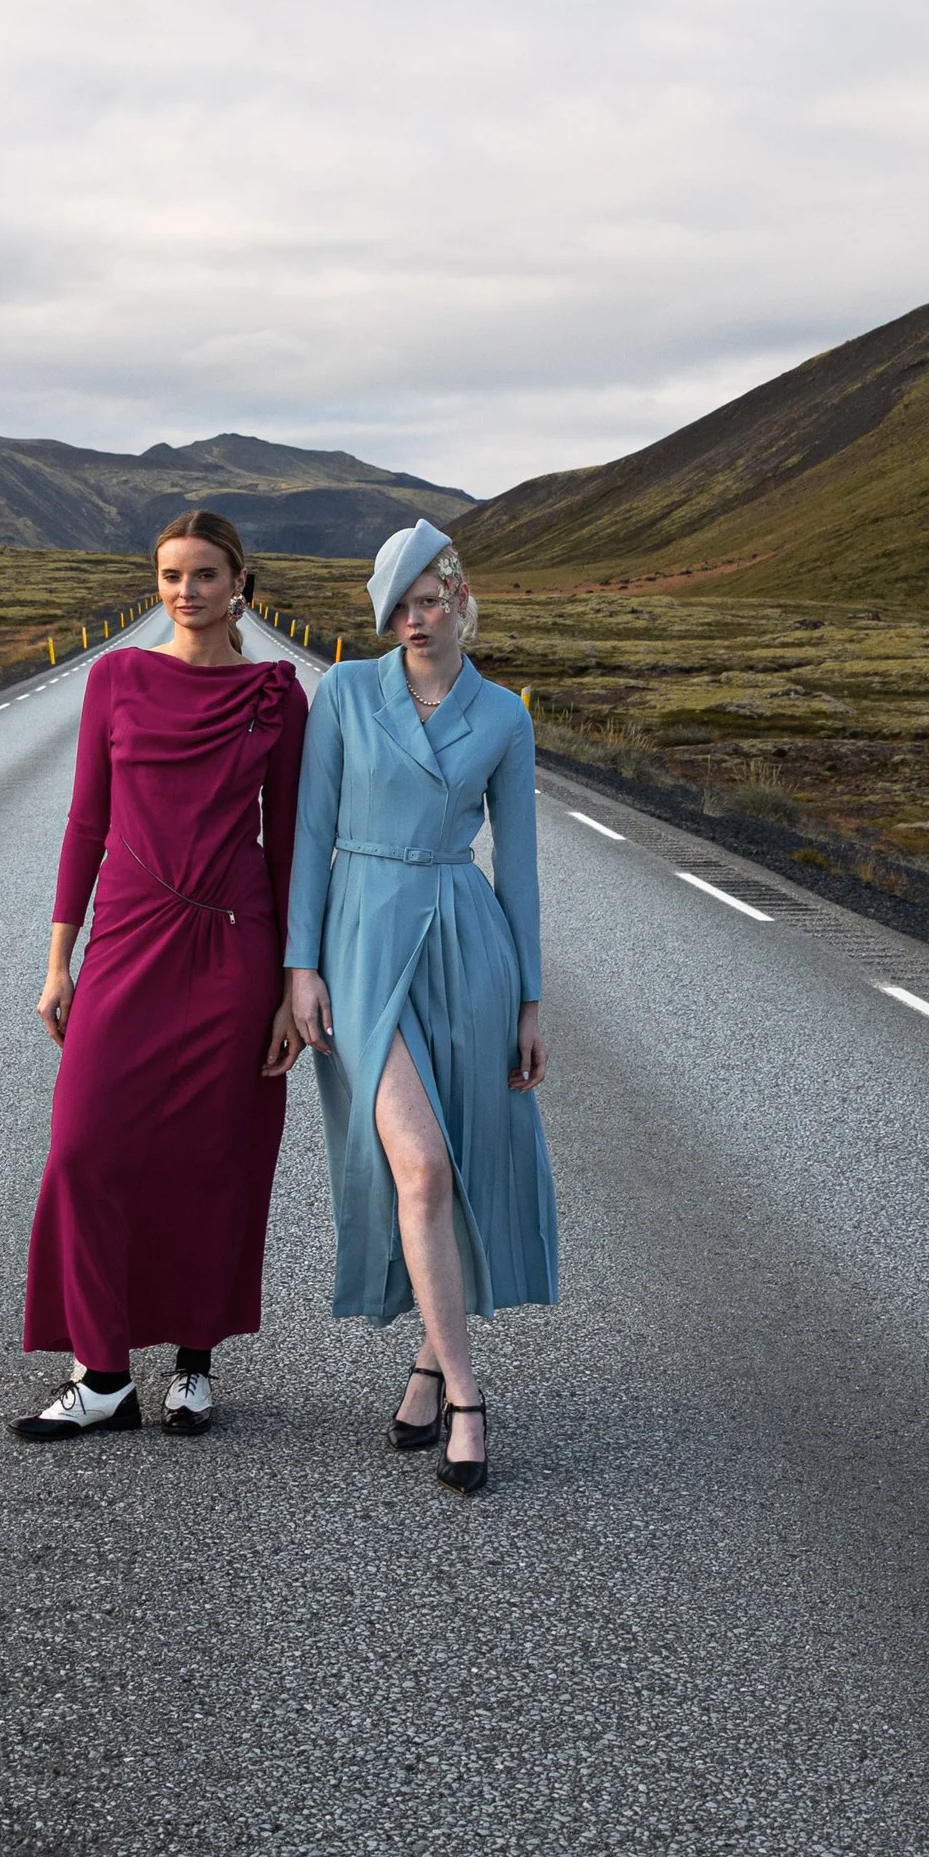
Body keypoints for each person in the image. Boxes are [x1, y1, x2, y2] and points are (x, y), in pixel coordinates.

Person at [15, 509, 309, 1441]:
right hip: (128, 941)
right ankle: (102, 1372)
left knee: (213, 1157)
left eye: (206, 575)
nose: (186, 591)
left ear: (240, 584)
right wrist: (60, 960)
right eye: (172, 575)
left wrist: (293, 984)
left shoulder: (277, 695)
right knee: (84, 1145)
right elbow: (85, 826)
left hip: (234, 948)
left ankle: (194, 1360)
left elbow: (292, 846)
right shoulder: (116, 677)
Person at [285, 520, 555, 1495]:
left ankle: (427, 1364)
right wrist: (297, 966)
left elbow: (516, 865)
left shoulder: (503, 715)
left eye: (429, 598)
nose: (413, 618)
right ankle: (470, 1401)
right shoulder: (345, 693)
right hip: (359, 942)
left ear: (459, 599)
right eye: (397, 604)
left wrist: (528, 994)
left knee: (459, 1164)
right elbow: (310, 831)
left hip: (464, 944)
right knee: (421, 1160)